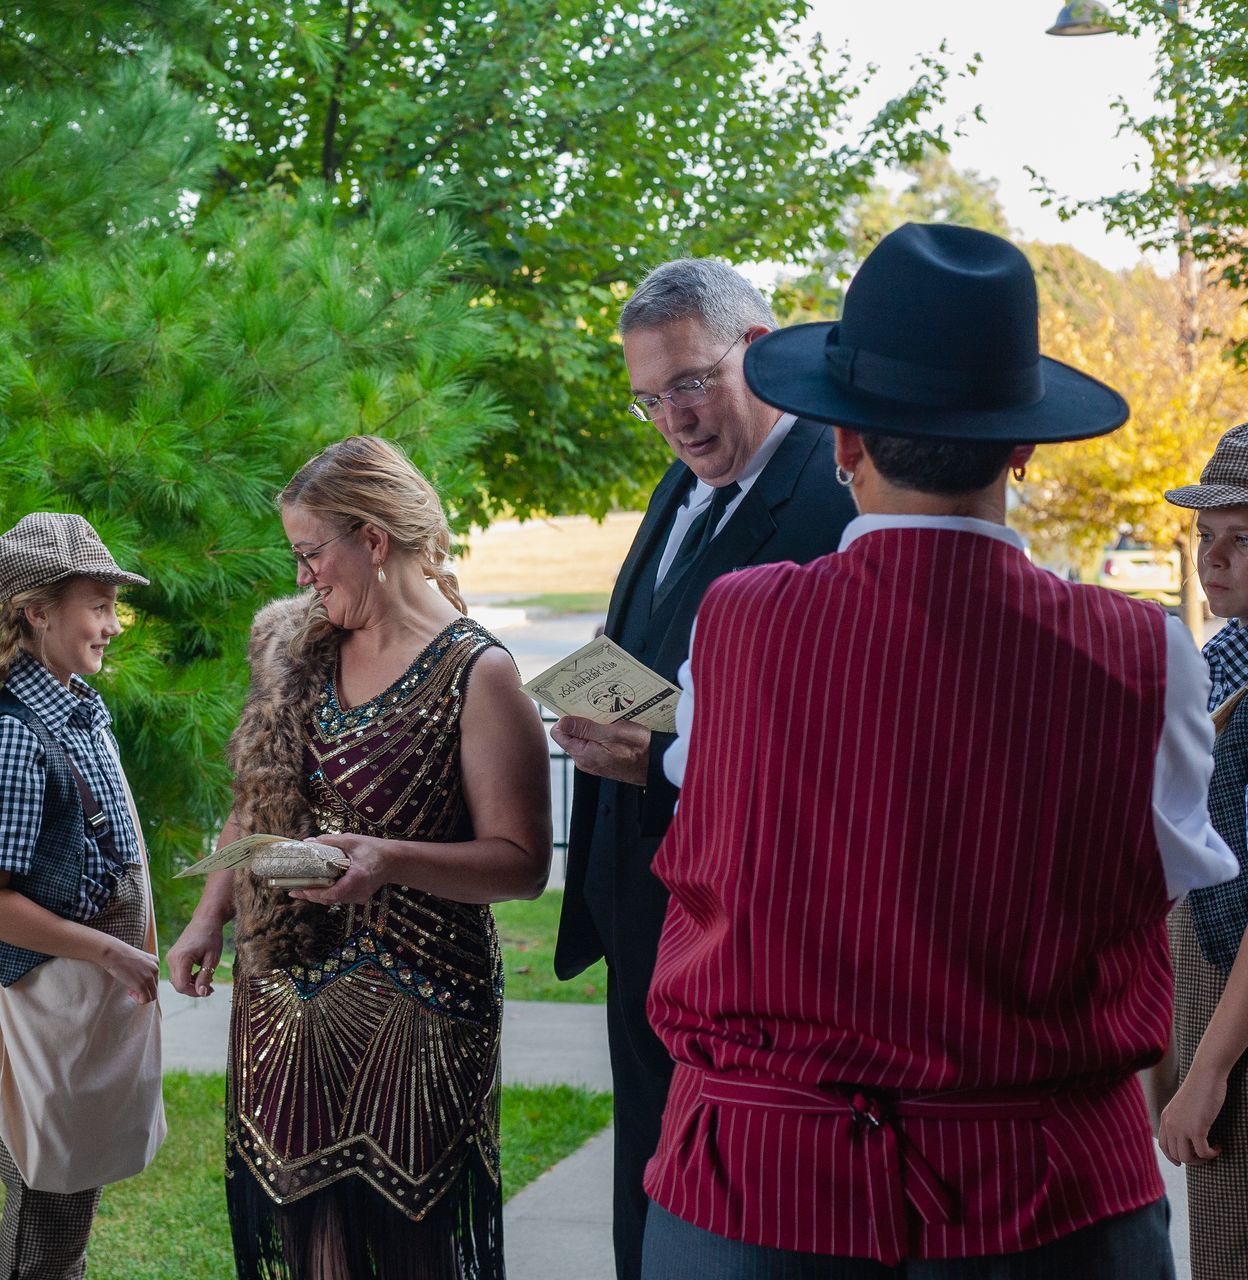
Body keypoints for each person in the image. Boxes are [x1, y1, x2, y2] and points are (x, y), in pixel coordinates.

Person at [639, 223, 1239, 1277]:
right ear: (1021, 446)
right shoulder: (1144, 653)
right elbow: (1165, 880)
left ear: (843, 442)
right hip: (1046, 1202)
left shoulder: (734, 624)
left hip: (760, 1197)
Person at [165, 435, 550, 1279]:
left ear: (373, 540)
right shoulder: (298, 648)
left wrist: (389, 860)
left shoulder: (477, 673)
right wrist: (205, 921)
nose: (303, 576)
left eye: (312, 552)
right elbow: (254, 802)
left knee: (407, 1243)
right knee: (311, 1243)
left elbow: (522, 863)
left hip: (419, 1005)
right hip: (285, 999)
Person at [549, 258, 856, 1279]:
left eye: (689, 382)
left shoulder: (832, 497)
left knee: (717, 1201)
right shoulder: (680, 481)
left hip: (744, 923)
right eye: (649, 400)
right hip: (637, 896)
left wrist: (666, 749)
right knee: (645, 1166)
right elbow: (655, 640)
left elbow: (824, 732)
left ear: (759, 351)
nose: (675, 418)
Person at [0, 511, 160, 1280]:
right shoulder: (15, 735)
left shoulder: (75, 711)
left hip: (81, 997)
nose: (112, 624)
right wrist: (110, 949)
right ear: (38, 612)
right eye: (98, 603)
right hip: (43, 997)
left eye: (113, 605)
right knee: (46, 1215)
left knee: (68, 1204)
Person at [1156, 424, 1248, 1279]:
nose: (1210, 561)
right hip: (1208, 990)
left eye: (1242, 539)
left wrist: (1207, 1072)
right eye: (1204, 536)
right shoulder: (1223, 659)